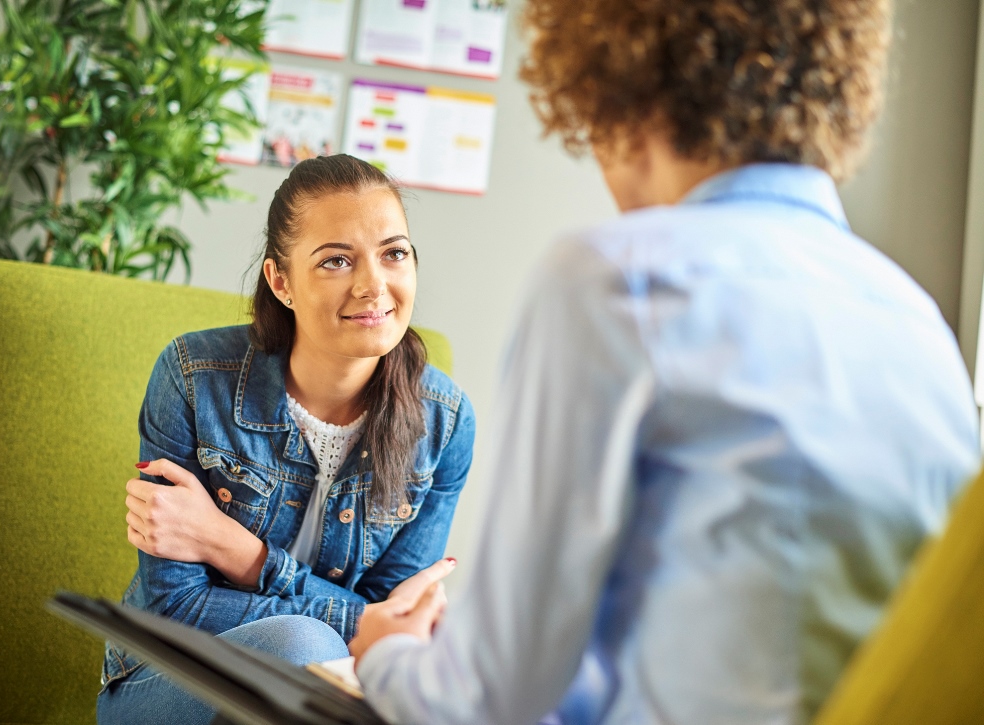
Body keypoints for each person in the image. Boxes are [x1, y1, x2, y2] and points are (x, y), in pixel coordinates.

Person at [343, 1, 982, 724]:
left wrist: (386, 651)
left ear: (616, 84)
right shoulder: (917, 320)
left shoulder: (618, 279)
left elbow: (482, 704)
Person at [95, 154, 475, 724]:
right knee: (305, 649)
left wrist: (232, 548)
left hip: (333, 701)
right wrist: (356, 623)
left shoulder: (445, 423)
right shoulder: (193, 378)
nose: (375, 285)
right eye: (336, 261)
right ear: (281, 281)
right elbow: (174, 605)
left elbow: (393, 631)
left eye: (394, 253)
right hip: (169, 678)